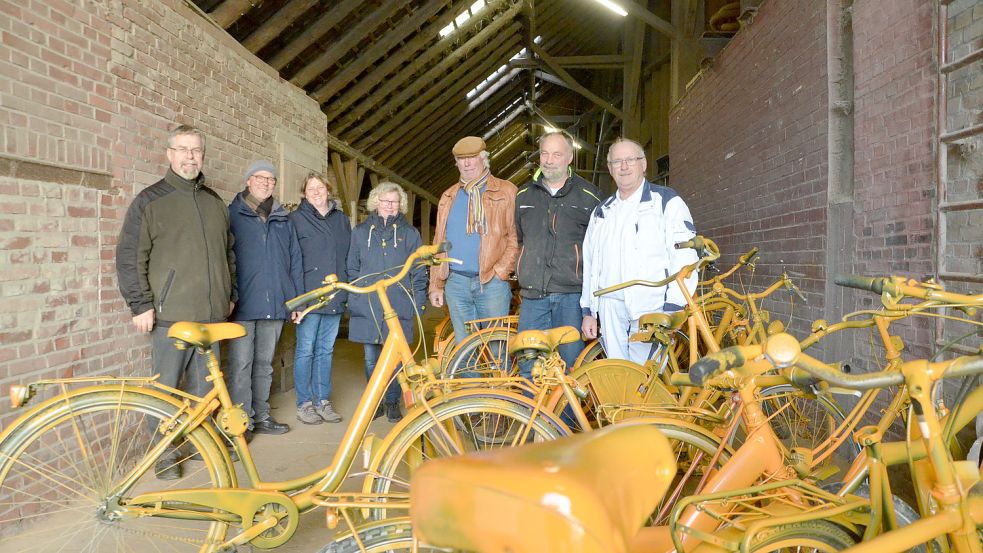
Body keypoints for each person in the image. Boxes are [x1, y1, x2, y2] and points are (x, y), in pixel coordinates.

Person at [115, 124, 236, 479]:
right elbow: (129, 256)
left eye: (195, 150)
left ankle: (204, 445)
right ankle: (165, 455)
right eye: (182, 149)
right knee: (166, 389)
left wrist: (231, 296)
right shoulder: (150, 201)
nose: (189, 156)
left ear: (203, 155)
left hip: (213, 318)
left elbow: (229, 254)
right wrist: (140, 304)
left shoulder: (215, 203)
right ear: (169, 155)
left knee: (207, 388)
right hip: (171, 317)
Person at [580, 138, 698, 364]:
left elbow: (686, 257)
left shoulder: (666, 202)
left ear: (643, 164)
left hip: (651, 306)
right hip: (610, 307)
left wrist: (673, 306)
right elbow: (591, 264)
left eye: (630, 160)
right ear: (610, 168)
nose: (624, 167)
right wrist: (588, 311)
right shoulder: (601, 212)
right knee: (617, 372)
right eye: (617, 161)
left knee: (645, 377)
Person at [226, 161, 302, 436]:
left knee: (263, 364)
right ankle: (240, 422)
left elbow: (295, 259)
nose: (266, 183)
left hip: (275, 303)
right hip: (243, 304)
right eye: (260, 178)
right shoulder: (231, 215)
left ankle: (261, 416)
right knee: (241, 366)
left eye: (271, 179)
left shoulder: (283, 219)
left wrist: (295, 301)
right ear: (248, 181)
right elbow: (225, 259)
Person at [515, 132, 601, 373]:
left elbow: (598, 249)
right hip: (533, 297)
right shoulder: (523, 196)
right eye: (544, 153)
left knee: (571, 367)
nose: (549, 160)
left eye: (556, 154)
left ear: (569, 158)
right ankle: (531, 412)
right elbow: (521, 238)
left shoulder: (590, 196)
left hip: (571, 297)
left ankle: (565, 413)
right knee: (529, 365)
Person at [348, 182, 427, 423]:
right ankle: (377, 400)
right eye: (385, 201)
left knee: (395, 358)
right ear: (376, 203)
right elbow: (352, 267)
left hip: (398, 302)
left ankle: (392, 402)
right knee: (371, 357)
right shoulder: (361, 232)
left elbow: (419, 269)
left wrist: (418, 301)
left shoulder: (410, 234)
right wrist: (357, 295)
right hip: (369, 303)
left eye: (394, 202)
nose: (389, 206)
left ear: (400, 205)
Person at [428, 136, 519, 343]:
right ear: (456, 163)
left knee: (496, 345)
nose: (467, 163)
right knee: (465, 348)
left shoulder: (506, 192)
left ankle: (497, 377)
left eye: (472, 157)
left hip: (491, 283)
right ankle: (470, 376)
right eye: (461, 158)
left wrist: (500, 272)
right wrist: (436, 284)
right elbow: (438, 243)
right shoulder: (448, 196)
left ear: (484, 159)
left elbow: (516, 237)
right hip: (456, 283)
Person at [288, 173, 351, 425]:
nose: (316, 192)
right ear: (304, 193)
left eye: (320, 187)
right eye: (310, 188)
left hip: (335, 294)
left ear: (328, 190)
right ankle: (304, 403)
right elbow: (292, 261)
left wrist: (346, 289)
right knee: (305, 350)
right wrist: (296, 301)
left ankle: (323, 401)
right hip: (309, 296)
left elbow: (346, 256)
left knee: (325, 350)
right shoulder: (295, 219)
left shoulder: (341, 220)